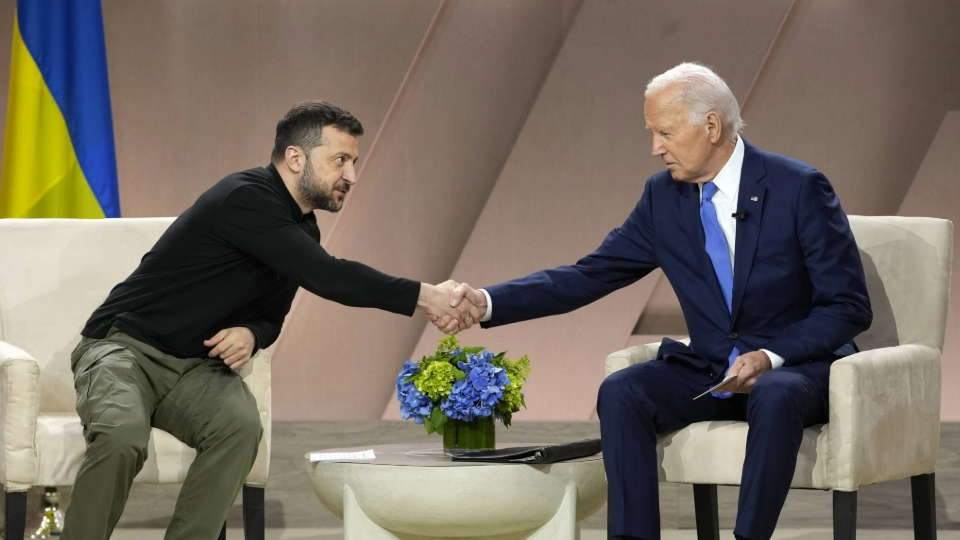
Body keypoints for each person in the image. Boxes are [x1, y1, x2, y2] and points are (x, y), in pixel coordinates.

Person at [440, 63, 872, 540]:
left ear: (711, 125)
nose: (655, 148)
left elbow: (848, 306)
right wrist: (486, 302)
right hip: (712, 370)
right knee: (623, 390)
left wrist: (770, 357)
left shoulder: (798, 187)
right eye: (652, 133)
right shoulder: (662, 197)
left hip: (795, 370)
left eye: (665, 132)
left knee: (774, 392)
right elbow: (590, 274)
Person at [64, 101, 479, 540]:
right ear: (296, 158)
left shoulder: (303, 229)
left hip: (191, 366)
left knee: (239, 427)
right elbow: (328, 277)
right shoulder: (247, 198)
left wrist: (252, 331)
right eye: (340, 160)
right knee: (121, 436)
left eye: (354, 162)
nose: (352, 176)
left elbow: (272, 316)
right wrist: (427, 296)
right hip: (123, 347)